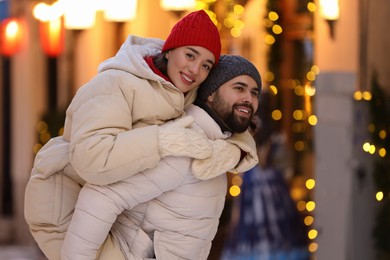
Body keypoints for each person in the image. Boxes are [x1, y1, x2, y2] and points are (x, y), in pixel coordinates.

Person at [24, 9, 233, 260]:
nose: (195, 70)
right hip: (63, 206)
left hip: (117, 218)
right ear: (169, 50)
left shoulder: (183, 95)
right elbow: (91, 157)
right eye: (190, 55)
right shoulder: (115, 84)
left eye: (206, 65)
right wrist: (161, 140)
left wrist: (233, 148)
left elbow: (224, 116)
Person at [60, 54, 262, 260]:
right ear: (210, 94)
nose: (249, 98)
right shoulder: (185, 142)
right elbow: (101, 198)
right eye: (239, 88)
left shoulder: (217, 145)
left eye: (254, 92)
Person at [220, 91, 310, 260]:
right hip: (271, 196)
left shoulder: (246, 138)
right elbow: (287, 172)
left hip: (254, 194)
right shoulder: (274, 140)